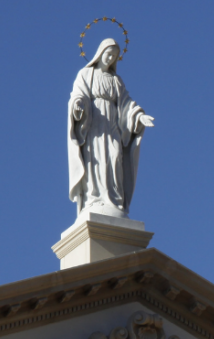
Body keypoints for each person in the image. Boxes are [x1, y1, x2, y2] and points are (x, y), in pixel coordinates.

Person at [67, 38, 154, 219]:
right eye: (108, 54)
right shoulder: (86, 74)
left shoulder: (116, 81)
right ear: (100, 53)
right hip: (94, 126)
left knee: (114, 158)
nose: (110, 58)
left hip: (112, 124)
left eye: (114, 56)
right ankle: (95, 198)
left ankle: (113, 201)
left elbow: (126, 104)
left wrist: (138, 115)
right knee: (96, 160)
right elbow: (79, 95)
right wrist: (78, 105)